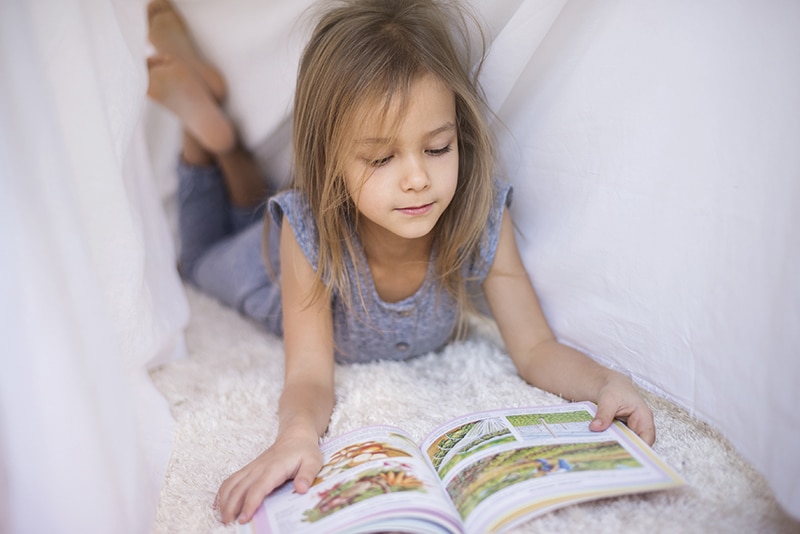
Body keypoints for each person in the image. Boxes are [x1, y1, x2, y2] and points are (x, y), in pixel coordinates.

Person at [146, 0, 656, 525]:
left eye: (437, 148)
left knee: (242, 218)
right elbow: (309, 375)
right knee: (204, 253)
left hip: (292, 229)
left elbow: (536, 348)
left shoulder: (480, 216)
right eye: (382, 159)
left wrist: (603, 383)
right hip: (261, 275)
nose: (417, 179)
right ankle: (207, 137)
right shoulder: (309, 233)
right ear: (332, 160)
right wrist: (296, 437)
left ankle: (218, 136)